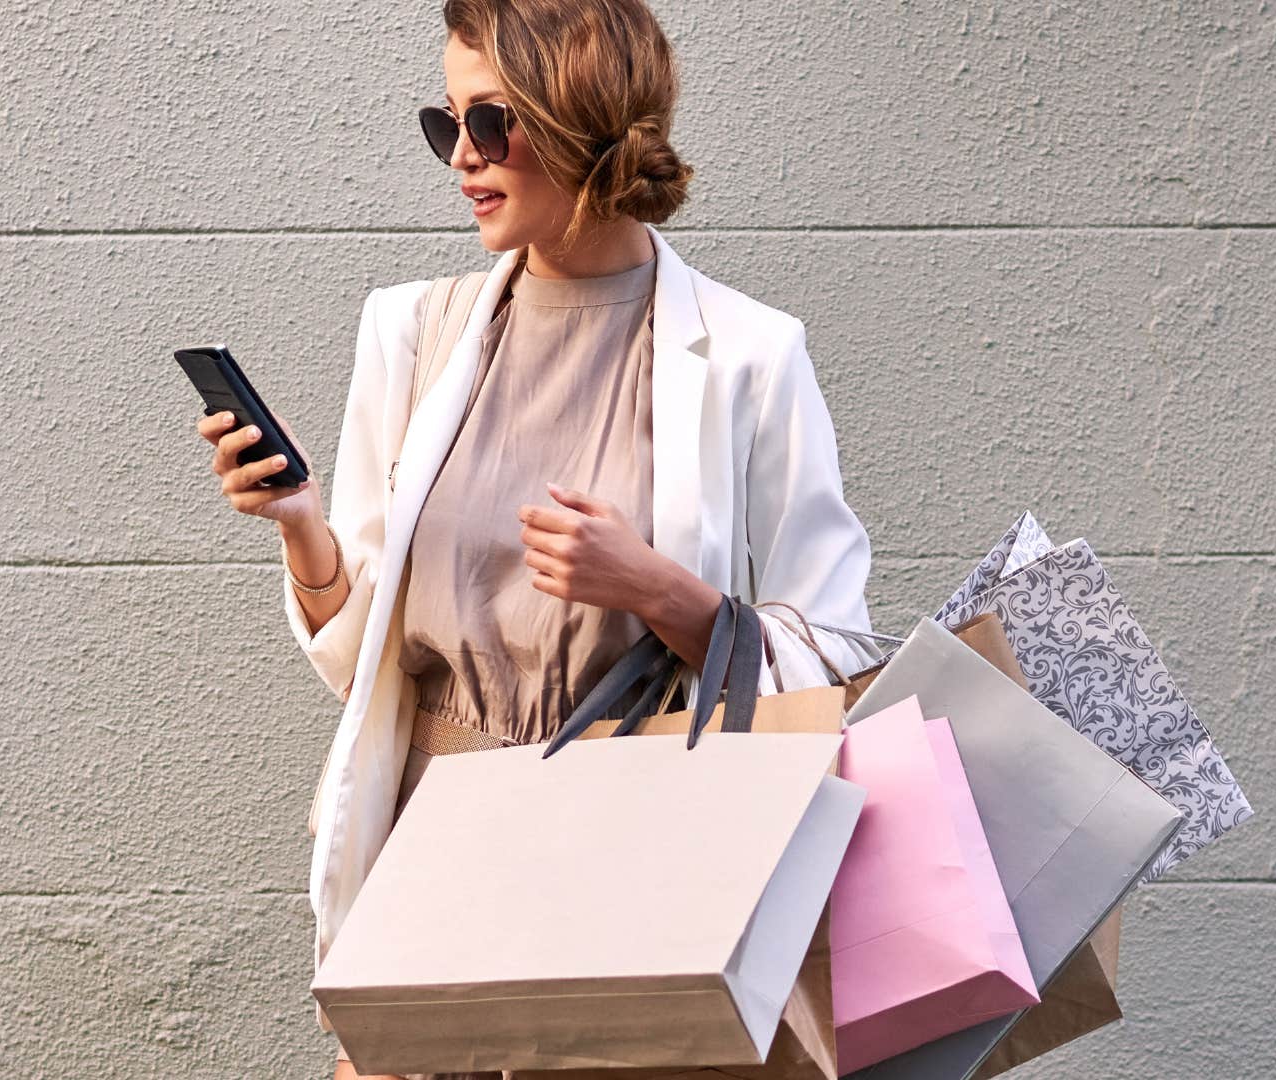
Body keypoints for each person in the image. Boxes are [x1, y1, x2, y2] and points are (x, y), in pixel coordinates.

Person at [193, 2, 874, 1076]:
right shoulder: (412, 331)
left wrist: (659, 591)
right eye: (445, 121)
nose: (460, 156)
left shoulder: (750, 354)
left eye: (490, 123)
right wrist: (303, 533)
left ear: (576, 119)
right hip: (430, 868)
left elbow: (833, 652)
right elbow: (363, 662)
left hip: (634, 863)